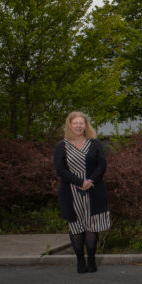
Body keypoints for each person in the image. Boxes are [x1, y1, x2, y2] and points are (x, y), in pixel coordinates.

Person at [54, 112, 112, 274]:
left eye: (82, 123)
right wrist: (80, 182)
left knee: (92, 226)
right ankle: (80, 260)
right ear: (70, 125)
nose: (79, 126)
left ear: (86, 125)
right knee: (76, 227)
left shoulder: (94, 144)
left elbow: (102, 165)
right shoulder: (62, 146)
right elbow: (60, 169)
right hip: (71, 193)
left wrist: (90, 181)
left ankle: (92, 259)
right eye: (75, 123)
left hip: (93, 191)